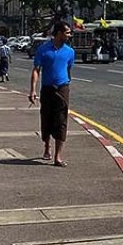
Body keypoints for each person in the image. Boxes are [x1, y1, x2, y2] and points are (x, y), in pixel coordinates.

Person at [28, 21, 74, 167]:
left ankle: (58, 156)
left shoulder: (70, 51)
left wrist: (67, 83)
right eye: (67, 32)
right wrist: (33, 90)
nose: (69, 35)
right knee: (46, 118)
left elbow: (68, 69)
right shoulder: (43, 49)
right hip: (47, 88)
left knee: (61, 120)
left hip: (62, 88)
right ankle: (47, 146)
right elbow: (36, 70)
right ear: (59, 33)